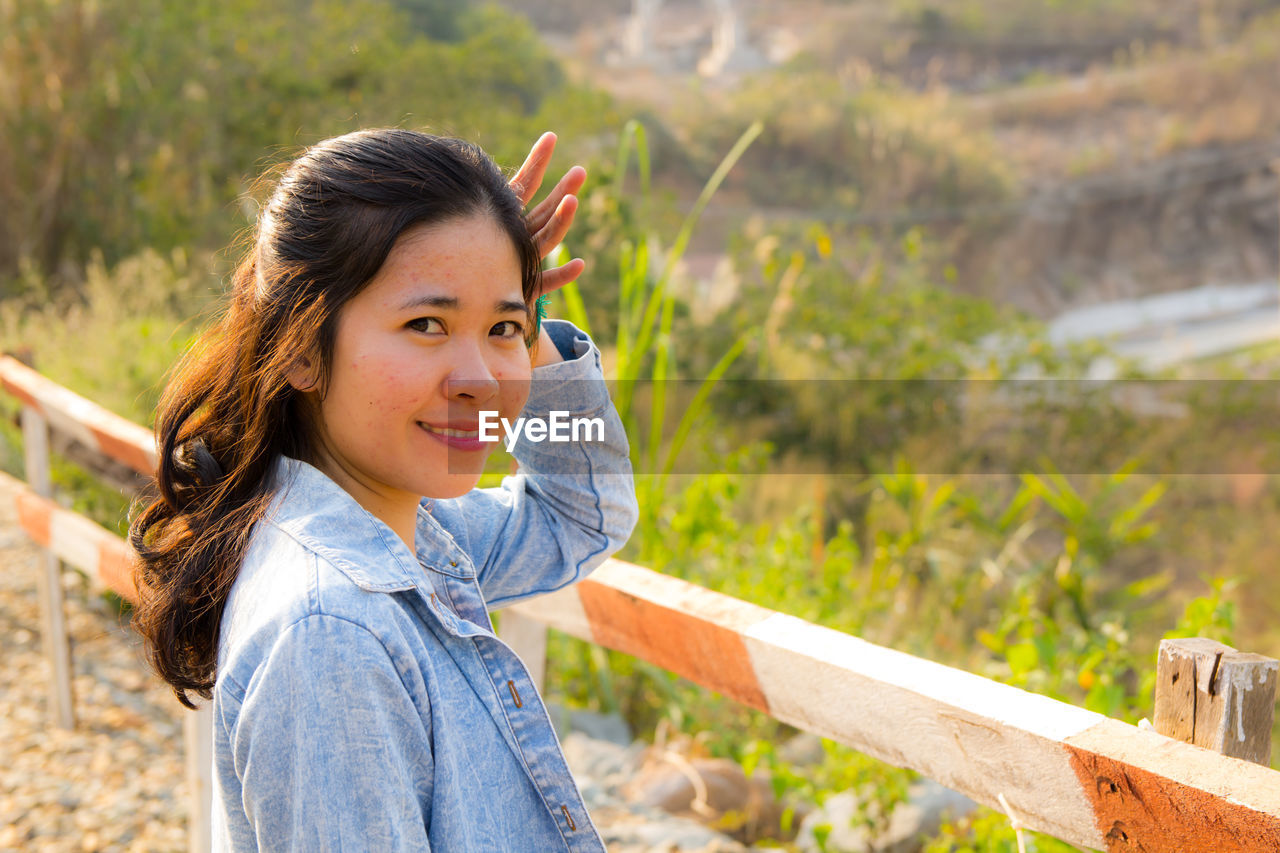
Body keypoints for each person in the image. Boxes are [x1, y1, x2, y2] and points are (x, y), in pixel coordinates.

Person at [128, 127, 638, 851]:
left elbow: (583, 514)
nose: (481, 379)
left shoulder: (405, 535)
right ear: (299, 348)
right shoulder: (334, 630)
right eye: (426, 323)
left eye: (503, 330)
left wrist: (529, 319)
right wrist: (493, 296)